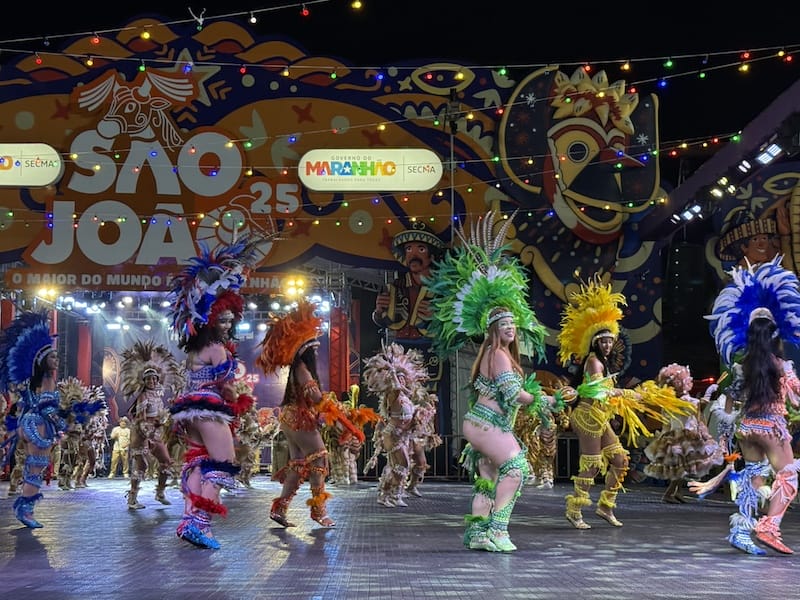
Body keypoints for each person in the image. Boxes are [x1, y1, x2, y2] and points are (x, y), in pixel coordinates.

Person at [426, 209, 569, 552]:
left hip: (482, 422)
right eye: (503, 324)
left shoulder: (494, 355)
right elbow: (514, 394)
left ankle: (477, 533)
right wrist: (548, 400)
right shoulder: (498, 354)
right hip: (488, 423)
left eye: (512, 324)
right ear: (492, 329)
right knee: (517, 468)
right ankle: (498, 531)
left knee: (489, 478)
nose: (510, 328)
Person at [557, 277, 693, 530]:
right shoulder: (593, 362)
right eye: (603, 340)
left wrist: (635, 396)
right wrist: (632, 395)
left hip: (600, 417)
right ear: (595, 341)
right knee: (592, 463)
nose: (608, 344)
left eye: (610, 340)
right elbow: (601, 394)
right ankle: (574, 509)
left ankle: (605, 505)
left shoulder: (605, 363)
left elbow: (609, 395)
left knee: (620, 460)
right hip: (587, 415)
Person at [690, 255, 800, 555]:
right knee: (788, 474)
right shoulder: (781, 366)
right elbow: (796, 398)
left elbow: (730, 399)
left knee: (753, 481)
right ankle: (769, 527)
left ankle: (741, 531)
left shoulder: (743, 365)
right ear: (776, 334)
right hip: (772, 428)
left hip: (747, 428)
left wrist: (724, 436)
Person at [167, 238, 260, 549]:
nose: (228, 323)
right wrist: (240, 397)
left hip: (189, 411)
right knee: (223, 464)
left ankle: (188, 520)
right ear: (209, 319)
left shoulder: (195, 350)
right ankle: (200, 523)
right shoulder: (217, 349)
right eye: (222, 318)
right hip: (209, 408)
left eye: (230, 318)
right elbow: (227, 387)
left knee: (197, 461)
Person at [372, 221, 446, 495]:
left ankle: (423, 452)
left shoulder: (442, 286)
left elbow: (453, 323)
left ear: (430, 255)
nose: (413, 254)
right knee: (396, 398)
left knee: (427, 402)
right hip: (400, 346)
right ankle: (398, 475)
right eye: (409, 249)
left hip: (428, 348)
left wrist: (438, 315)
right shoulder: (395, 285)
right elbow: (382, 320)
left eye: (420, 248)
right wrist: (379, 312)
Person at [256, 300, 337, 528]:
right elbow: (315, 398)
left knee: (299, 464)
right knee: (320, 457)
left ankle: (280, 510)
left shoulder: (298, 369)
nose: (317, 351)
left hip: (290, 418)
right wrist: (332, 406)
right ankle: (319, 510)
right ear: (307, 351)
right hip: (300, 418)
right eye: (314, 348)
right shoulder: (302, 369)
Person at [0, 310, 66, 528]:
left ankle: (24, 507)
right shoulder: (46, 380)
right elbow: (47, 408)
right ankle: (25, 509)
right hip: (39, 426)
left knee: (32, 466)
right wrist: (63, 422)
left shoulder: (33, 381)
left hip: (29, 423)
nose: (57, 360)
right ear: (43, 360)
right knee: (36, 467)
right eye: (53, 357)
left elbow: (21, 404)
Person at [643, 364, 724, 503]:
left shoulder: (672, 402)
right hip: (683, 437)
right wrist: (708, 394)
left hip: (680, 435)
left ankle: (677, 492)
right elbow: (695, 407)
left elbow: (691, 411)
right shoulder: (680, 401)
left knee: (683, 467)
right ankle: (669, 494)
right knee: (683, 468)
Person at [120, 340, 184, 510]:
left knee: (166, 461)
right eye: (148, 379)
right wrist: (146, 433)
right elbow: (139, 419)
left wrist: (163, 423)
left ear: (158, 379)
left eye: (154, 379)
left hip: (156, 433)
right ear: (144, 381)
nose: (152, 381)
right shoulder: (143, 397)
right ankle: (132, 498)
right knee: (141, 465)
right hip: (142, 434)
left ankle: (160, 492)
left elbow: (161, 415)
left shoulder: (158, 395)